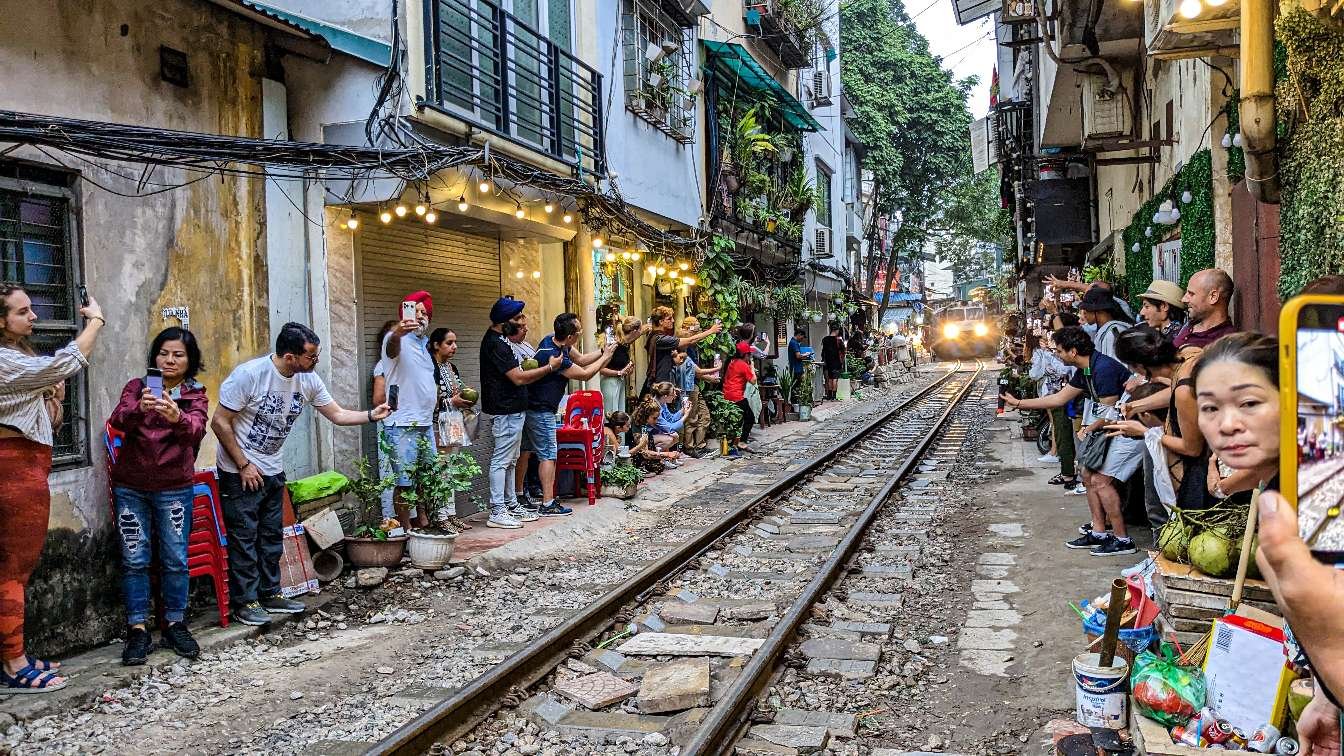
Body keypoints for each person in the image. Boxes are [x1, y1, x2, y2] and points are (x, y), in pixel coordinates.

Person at [212, 322, 391, 626]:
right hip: (239, 470)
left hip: (272, 468)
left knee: (271, 535)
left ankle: (270, 593)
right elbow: (219, 421)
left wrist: (372, 415)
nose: (316, 361)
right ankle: (245, 602)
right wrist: (243, 464)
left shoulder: (307, 380)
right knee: (244, 537)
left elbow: (337, 414)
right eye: (311, 356)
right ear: (290, 357)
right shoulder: (249, 376)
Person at [0, 284, 104, 693]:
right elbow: (68, 361)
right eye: (23, 312)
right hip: (13, 474)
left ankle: (13, 655)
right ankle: (13, 665)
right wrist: (94, 321)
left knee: (15, 571)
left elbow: (46, 421)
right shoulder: (4, 361)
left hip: (25, 468)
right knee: (12, 573)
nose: (33, 317)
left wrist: (52, 400)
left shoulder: (17, 358)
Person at [107, 327, 209, 665]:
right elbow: (118, 420)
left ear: (189, 360)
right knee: (134, 559)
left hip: (174, 488)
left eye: (178, 354)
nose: (169, 360)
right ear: (154, 356)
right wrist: (139, 408)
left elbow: (196, 430)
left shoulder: (194, 394)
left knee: (175, 558)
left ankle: (175, 624)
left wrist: (177, 416)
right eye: (163, 353)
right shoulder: (137, 388)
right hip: (131, 486)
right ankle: (137, 628)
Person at [1003, 326, 1138, 556]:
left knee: (1100, 480)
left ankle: (1122, 539)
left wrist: (1088, 429)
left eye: (1059, 351)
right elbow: (1058, 398)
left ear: (1073, 351)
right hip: (1112, 428)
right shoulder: (1085, 369)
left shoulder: (1102, 368)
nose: (1057, 355)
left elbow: (1110, 413)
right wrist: (1018, 404)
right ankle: (1098, 531)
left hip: (1131, 431)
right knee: (1086, 474)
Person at [479, 297, 564, 529]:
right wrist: (549, 368)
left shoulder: (503, 341)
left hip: (514, 410)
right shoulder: (495, 344)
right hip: (505, 410)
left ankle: (510, 502)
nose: (522, 323)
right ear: (504, 323)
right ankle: (497, 509)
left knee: (511, 459)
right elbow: (516, 377)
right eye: (517, 319)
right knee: (502, 460)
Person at [527, 312, 617, 515]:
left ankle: (526, 496)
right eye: (579, 331)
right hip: (541, 410)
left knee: (529, 453)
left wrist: (603, 350)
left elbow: (583, 359)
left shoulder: (554, 340)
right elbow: (585, 373)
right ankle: (548, 503)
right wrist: (606, 357)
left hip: (538, 407)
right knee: (548, 455)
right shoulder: (556, 357)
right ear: (570, 337)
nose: (580, 334)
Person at [1104, 326, 1184, 529]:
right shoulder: (1182, 368)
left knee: (1167, 511)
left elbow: (1191, 447)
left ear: (1140, 365)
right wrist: (1135, 406)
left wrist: (1145, 432)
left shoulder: (1184, 384)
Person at [381, 291, 438, 529]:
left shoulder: (424, 345)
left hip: (424, 422)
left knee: (426, 479)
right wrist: (399, 331)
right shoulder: (394, 339)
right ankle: (406, 531)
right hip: (402, 423)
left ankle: (423, 521)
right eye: (415, 312)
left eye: (424, 313)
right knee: (404, 482)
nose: (420, 317)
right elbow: (393, 347)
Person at [428, 328, 476, 527]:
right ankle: (439, 516)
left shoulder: (451, 368)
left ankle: (451, 513)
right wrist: (451, 401)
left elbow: (456, 391)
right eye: (449, 343)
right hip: (436, 424)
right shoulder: (430, 367)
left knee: (452, 468)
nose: (454, 347)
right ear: (436, 345)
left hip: (453, 422)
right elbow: (429, 399)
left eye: (455, 342)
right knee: (440, 470)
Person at [1029, 313, 1078, 489]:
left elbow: (1036, 374)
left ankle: (1069, 474)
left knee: (1065, 433)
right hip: (1063, 396)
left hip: (1062, 396)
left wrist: (1046, 354)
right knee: (1064, 432)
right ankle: (1068, 471)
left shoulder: (1056, 353)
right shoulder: (1058, 351)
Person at [642, 306, 722, 395]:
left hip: (663, 382)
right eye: (669, 319)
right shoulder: (659, 339)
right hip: (661, 382)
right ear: (661, 321)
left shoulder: (655, 337)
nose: (672, 321)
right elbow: (690, 340)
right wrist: (711, 331)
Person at [670, 344, 719, 457]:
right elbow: (699, 371)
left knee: (705, 416)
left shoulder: (690, 349)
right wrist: (717, 368)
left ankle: (700, 446)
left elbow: (696, 372)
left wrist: (710, 378)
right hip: (687, 389)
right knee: (691, 419)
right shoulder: (680, 353)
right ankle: (690, 447)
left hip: (694, 386)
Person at [1176, 269, 1237, 350]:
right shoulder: (1188, 326)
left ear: (1213, 297)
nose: (1184, 299)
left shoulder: (1224, 344)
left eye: (1191, 294)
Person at [600, 316, 645, 416]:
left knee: (620, 413)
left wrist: (627, 369)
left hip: (620, 381)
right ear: (634, 331)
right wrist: (619, 372)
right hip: (610, 382)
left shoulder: (625, 346)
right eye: (640, 330)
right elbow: (601, 369)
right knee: (611, 414)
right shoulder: (615, 346)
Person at [722, 341, 758, 457]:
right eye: (749, 355)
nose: (750, 357)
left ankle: (736, 442)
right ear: (745, 355)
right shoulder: (743, 364)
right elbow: (753, 381)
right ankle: (741, 442)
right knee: (750, 418)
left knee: (738, 419)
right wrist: (752, 367)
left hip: (727, 393)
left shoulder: (732, 362)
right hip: (736, 395)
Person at [1076, 287, 1130, 359]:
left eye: (1086, 311)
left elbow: (1114, 366)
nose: (1084, 315)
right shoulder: (1105, 330)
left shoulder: (1112, 333)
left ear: (1097, 311)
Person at [648, 381, 685, 454]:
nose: (675, 396)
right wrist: (686, 416)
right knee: (670, 438)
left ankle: (665, 458)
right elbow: (670, 428)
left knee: (674, 436)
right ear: (665, 396)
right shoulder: (654, 407)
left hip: (657, 433)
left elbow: (670, 419)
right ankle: (659, 457)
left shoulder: (662, 403)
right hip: (647, 435)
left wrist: (683, 410)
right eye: (672, 394)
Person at [821, 323, 845, 400]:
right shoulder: (839, 340)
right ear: (837, 330)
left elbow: (823, 351)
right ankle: (834, 396)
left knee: (828, 379)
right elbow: (844, 350)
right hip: (836, 362)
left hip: (827, 361)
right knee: (834, 379)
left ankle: (829, 395)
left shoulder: (825, 339)